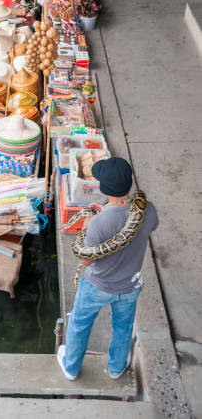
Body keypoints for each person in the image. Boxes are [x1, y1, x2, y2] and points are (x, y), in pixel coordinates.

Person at [57, 157, 159, 381]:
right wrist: (108, 212)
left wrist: (86, 227)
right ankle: (116, 367)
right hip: (129, 286)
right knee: (123, 327)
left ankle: (71, 367)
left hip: (97, 286)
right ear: (129, 183)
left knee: (80, 324)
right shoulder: (148, 210)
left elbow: (86, 261)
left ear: (103, 187)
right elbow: (138, 222)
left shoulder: (96, 224)